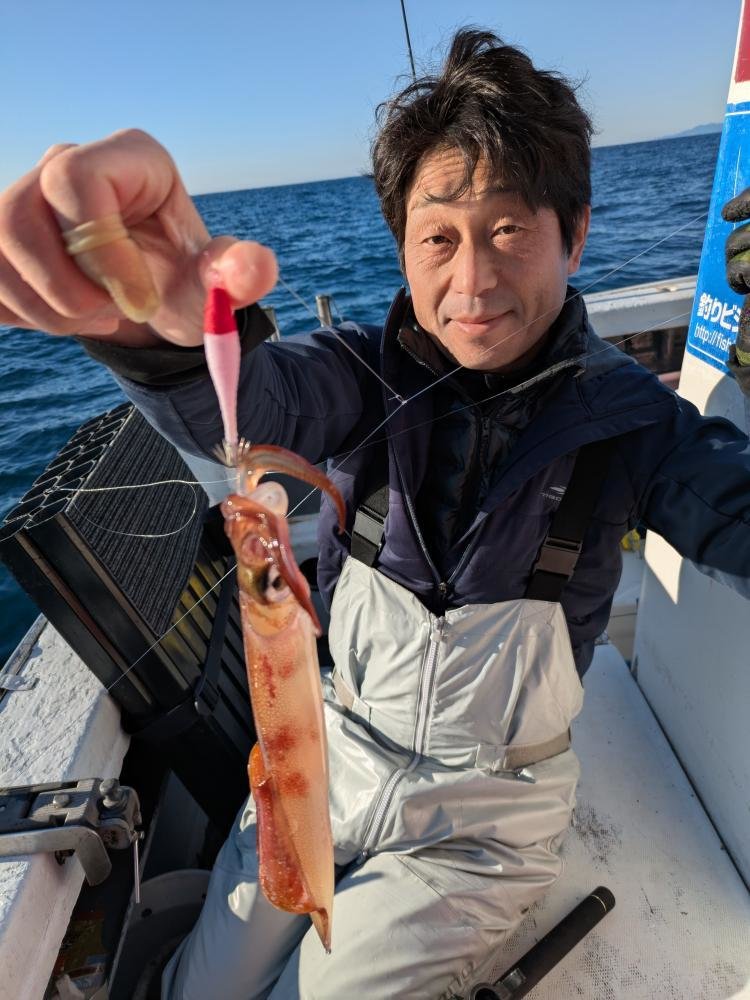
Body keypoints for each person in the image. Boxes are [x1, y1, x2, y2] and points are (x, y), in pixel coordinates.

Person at [2, 29, 750, 1000]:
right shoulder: (361, 372)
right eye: (439, 237)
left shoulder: (637, 421)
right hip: (327, 756)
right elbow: (249, 405)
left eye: (509, 229)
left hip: (483, 819)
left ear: (575, 232)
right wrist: (155, 324)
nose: (472, 280)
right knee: (198, 989)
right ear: (401, 245)